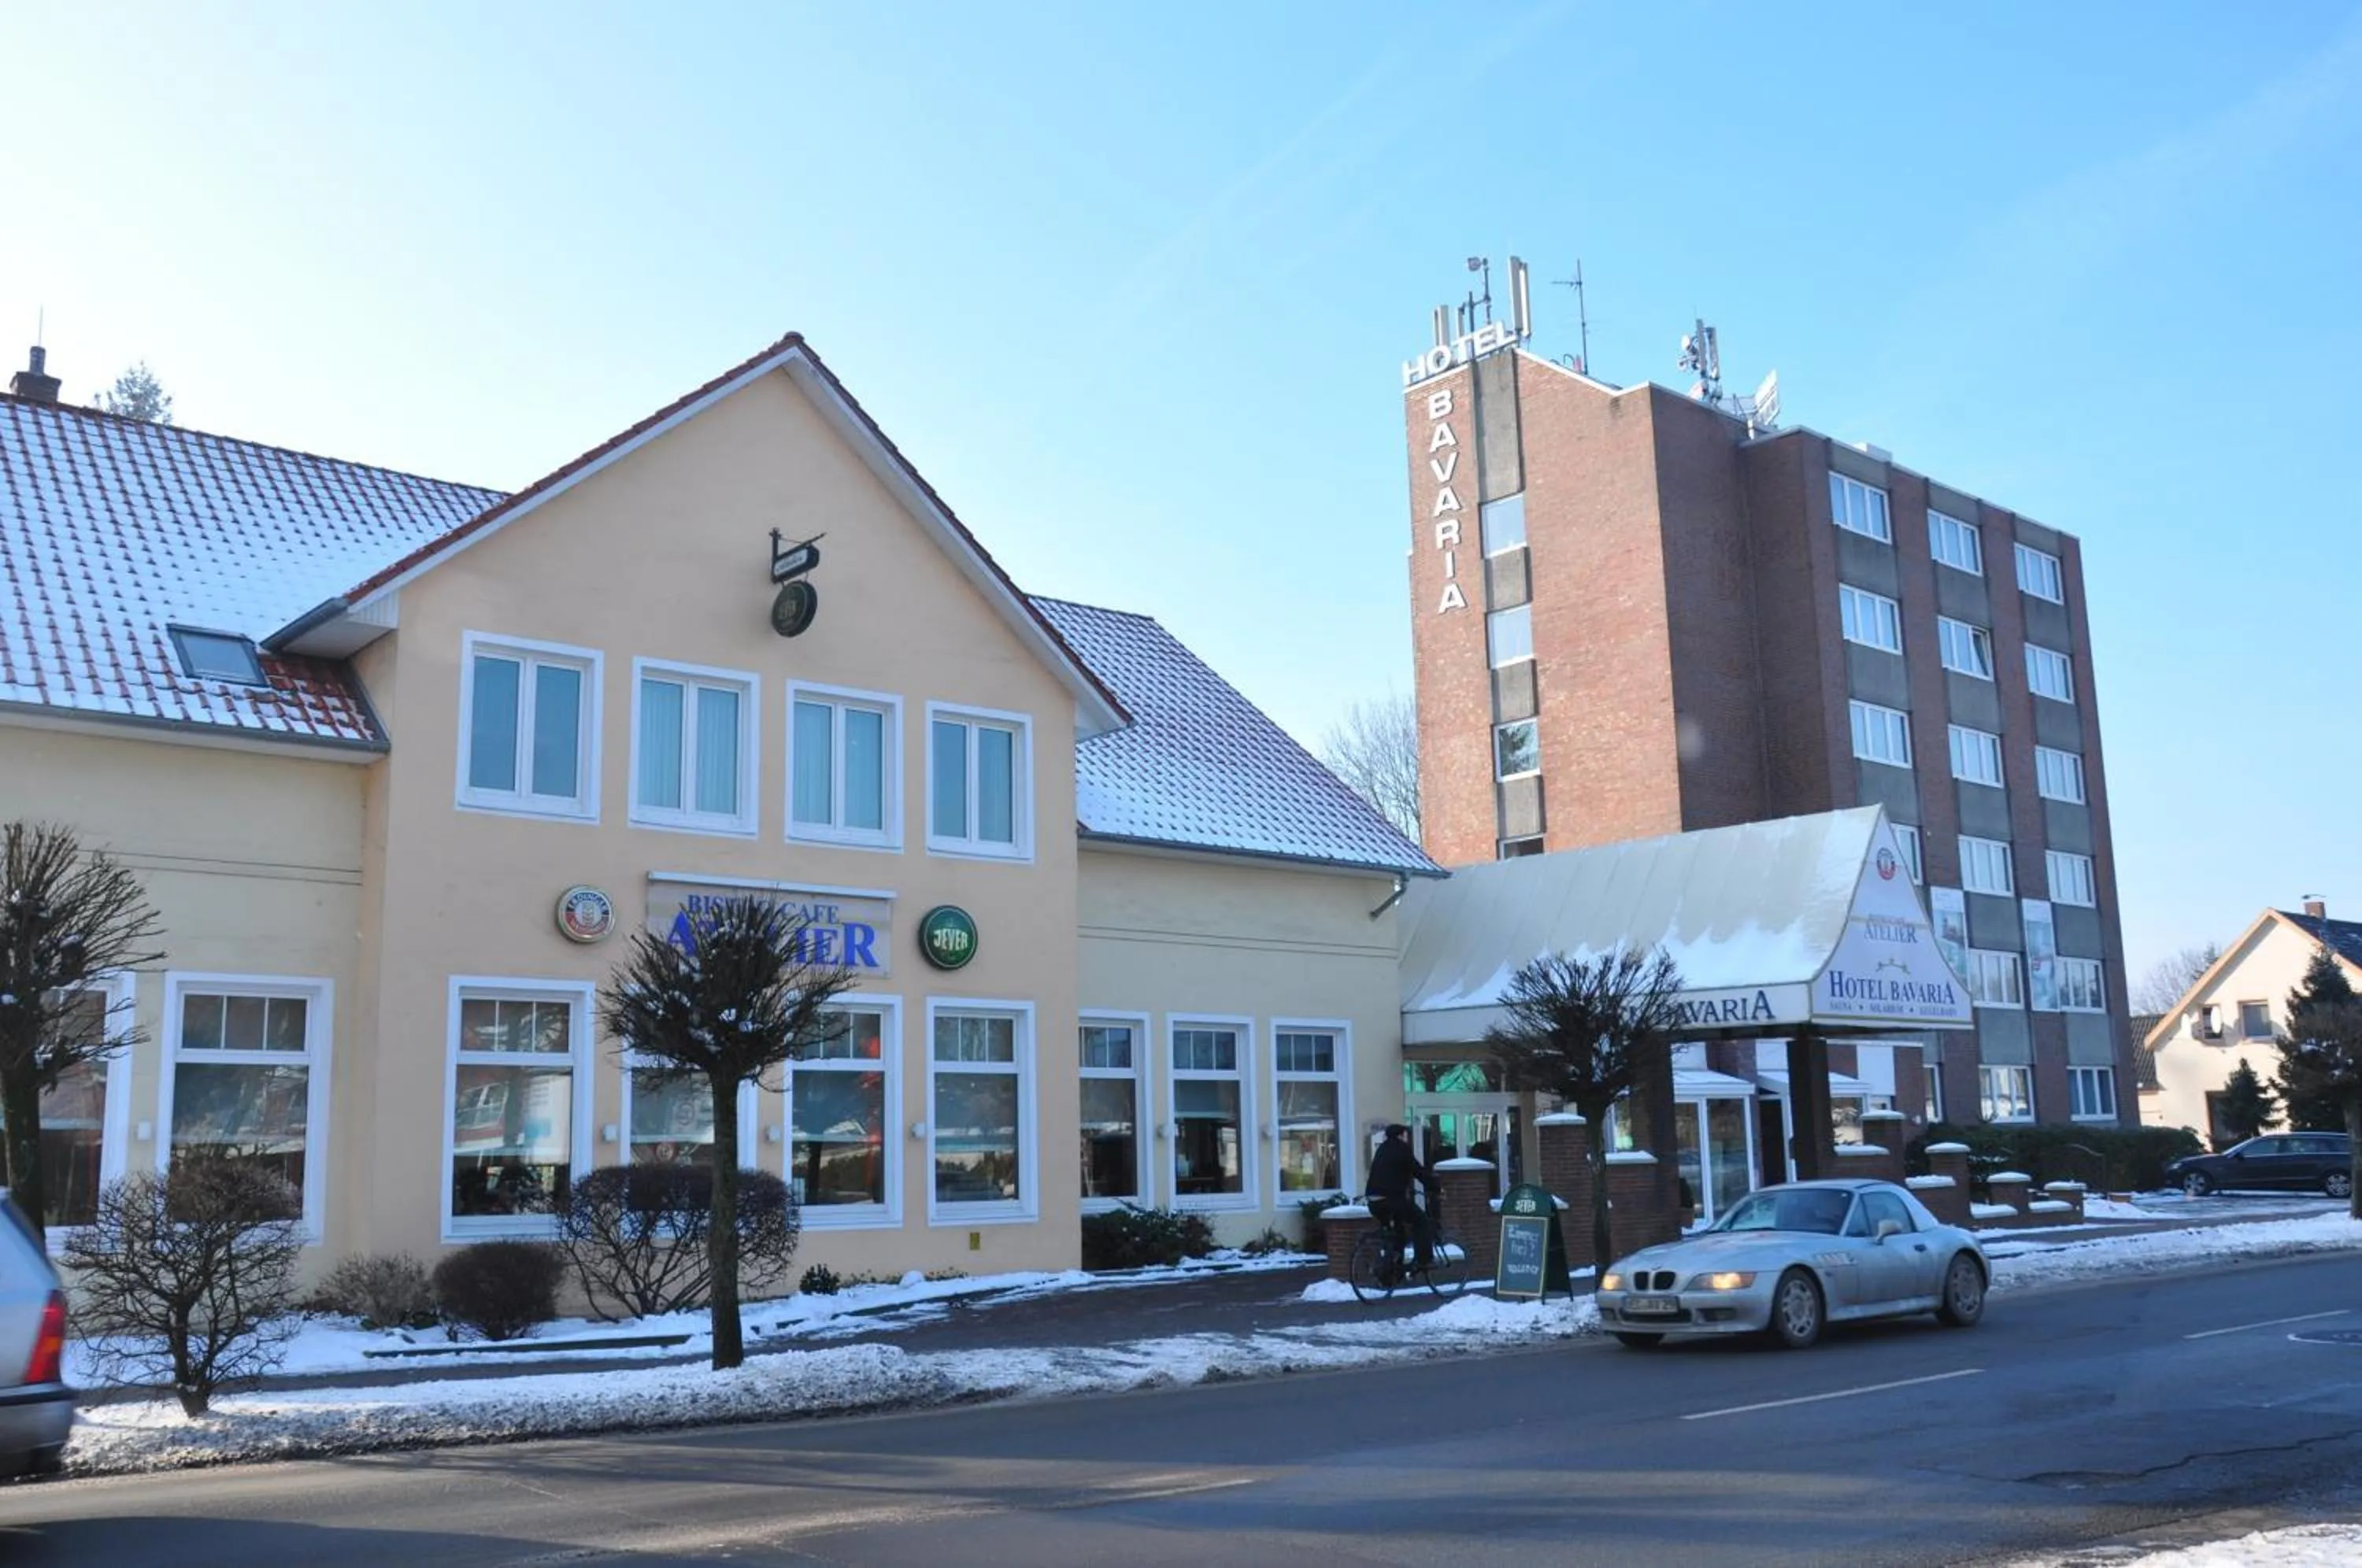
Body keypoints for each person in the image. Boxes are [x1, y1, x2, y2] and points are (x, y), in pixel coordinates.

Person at [1364, 1123, 1438, 1270]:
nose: (1407, 1138)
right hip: (1391, 1200)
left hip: (1374, 1202)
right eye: (1406, 1135)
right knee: (1421, 1221)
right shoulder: (1401, 1149)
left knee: (1398, 1234)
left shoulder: (1382, 1149)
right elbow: (1418, 1171)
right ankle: (1425, 1260)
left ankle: (1393, 1272)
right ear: (1401, 1136)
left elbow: (1391, 1173)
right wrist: (1436, 1188)